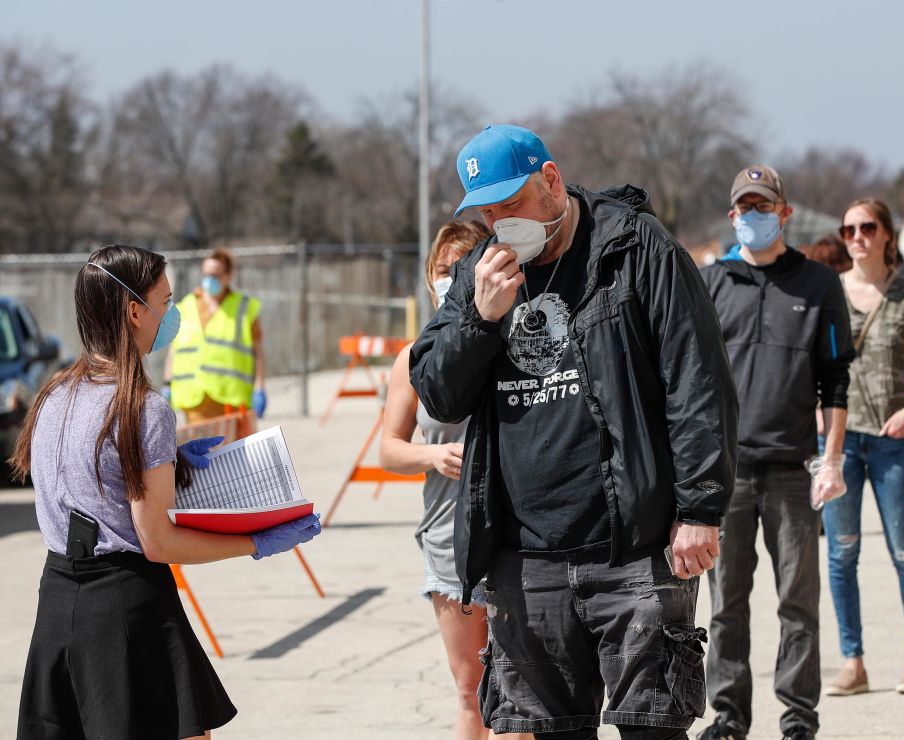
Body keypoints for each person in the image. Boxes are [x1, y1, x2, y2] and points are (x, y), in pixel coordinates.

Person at [409, 124, 738, 740]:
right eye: (488, 211)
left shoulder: (635, 247)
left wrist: (700, 508)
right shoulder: (481, 271)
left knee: (655, 725)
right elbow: (436, 390)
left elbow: (696, 381)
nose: (502, 222)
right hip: (525, 557)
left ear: (552, 179)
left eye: (513, 204)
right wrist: (479, 321)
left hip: (634, 546)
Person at [11, 244, 320, 739]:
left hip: (58, 602)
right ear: (135, 310)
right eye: (166, 301)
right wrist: (257, 542)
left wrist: (169, 464)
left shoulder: (53, 394)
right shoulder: (143, 408)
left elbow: (90, 487)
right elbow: (158, 542)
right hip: (128, 611)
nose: (172, 315)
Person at [698, 165, 853, 740]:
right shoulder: (712, 283)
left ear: (784, 213)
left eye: (764, 205)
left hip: (793, 469)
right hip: (727, 472)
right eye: (743, 207)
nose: (752, 215)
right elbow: (691, 379)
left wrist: (830, 457)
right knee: (724, 605)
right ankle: (728, 716)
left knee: (798, 604)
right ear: (732, 213)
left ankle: (798, 719)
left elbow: (836, 377)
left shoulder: (818, 284)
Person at [381, 219, 530, 740]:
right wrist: (431, 453)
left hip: (520, 540)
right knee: (471, 691)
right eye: (443, 269)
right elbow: (388, 450)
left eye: (463, 264)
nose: (452, 276)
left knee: (521, 696)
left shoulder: (523, 343)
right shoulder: (415, 357)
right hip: (449, 540)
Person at [821, 199, 904, 699]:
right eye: (849, 228)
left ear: (885, 234)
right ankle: (853, 662)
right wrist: (817, 409)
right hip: (839, 441)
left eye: (867, 227)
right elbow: (813, 359)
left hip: (895, 443)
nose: (857, 236)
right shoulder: (828, 292)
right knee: (840, 553)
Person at [163, 248, 267, 424]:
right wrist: (167, 384)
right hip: (194, 399)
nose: (209, 280)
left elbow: (258, 352)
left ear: (228, 276)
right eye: (206, 274)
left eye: (215, 275)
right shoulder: (186, 306)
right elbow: (175, 349)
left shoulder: (244, 308)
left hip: (231, 399)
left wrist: (259, 387)